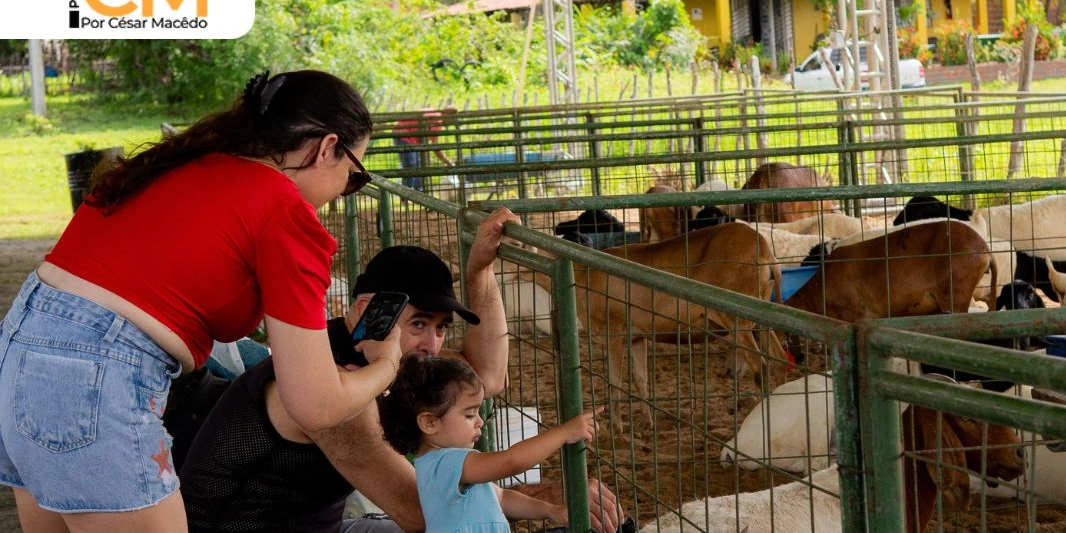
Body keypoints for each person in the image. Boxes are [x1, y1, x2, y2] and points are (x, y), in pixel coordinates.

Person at [0, 69, 400, 532]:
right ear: (328, 148)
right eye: (353, 176)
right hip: (98, 373)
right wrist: (386, 365)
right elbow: (316, 404)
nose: (343, 191)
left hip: (19, 352)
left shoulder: (175, 165)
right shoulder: (284, 209)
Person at [179, 223, 625, 533]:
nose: (432, 345)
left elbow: (486, 377)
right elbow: (422, 512)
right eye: (418, 324)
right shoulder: (335, 386)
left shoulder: (371, 354)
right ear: (366, 312)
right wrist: (548, 499)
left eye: (442, 327)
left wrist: (479, 273)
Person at [381, 354, 600, 532]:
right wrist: (563, 433)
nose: (480, 421)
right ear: (430, 423)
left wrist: (548, 510)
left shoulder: (441, 464)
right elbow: (512, 462)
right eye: (469, 415)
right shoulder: (446, 463)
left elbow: (502, 497)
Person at [393, 108, 454, 191]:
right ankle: (406, 193)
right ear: (449, 116)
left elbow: (435, 146)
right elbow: (434, 145)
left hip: (412, 140)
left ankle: (418, 192)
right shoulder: (436, 117)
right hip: (403, 135)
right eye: (452, 119)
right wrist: (447, 162)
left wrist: (446, 161)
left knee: (418, 166)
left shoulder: (436, 119)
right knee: (410, 164)